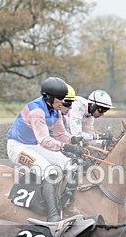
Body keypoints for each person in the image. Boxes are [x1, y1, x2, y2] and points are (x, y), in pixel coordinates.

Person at [6, 77, 85, 221]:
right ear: (48, 97)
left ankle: (65, 202)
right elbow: (44, 140)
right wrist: (68, 147)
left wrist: (73, 140)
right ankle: (52, 215)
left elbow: (60, 134)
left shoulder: (56, 110)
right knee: (50, 172)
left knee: (70, 165)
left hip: (34, 145)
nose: (63, 102)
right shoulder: (37, 111)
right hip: (18, 147)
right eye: (60, 98)